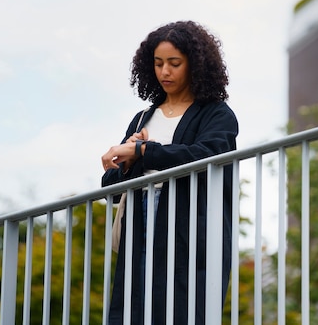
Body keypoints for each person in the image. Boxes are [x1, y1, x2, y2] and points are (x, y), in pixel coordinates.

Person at [101, 21, 238, 324]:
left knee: (183, 307)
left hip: (189, 224)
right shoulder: (142, 119)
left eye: (174, 63)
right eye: (158, 63)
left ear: (196, 64)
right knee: (135, 308)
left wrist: (144, 152)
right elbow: (110, 187)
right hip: (142, 219)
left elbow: (206, 156)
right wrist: (122, 162)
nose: (165, 72)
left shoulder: (217, 114)